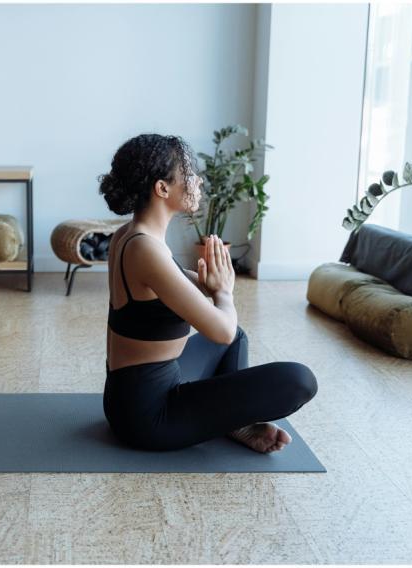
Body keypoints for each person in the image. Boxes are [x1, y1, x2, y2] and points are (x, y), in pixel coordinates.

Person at [99, 133, 318, 453]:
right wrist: (223, 293)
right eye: (188, 174)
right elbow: (220, 330)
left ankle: (234, 423)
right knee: (300, 380)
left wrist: (211, 280)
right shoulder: (145, 248)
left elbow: (169, 283)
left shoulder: (130, 234)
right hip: (148, 418)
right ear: (162, 188)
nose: (197, 181)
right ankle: (230, 420)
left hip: (133, 392)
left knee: (239, 337)